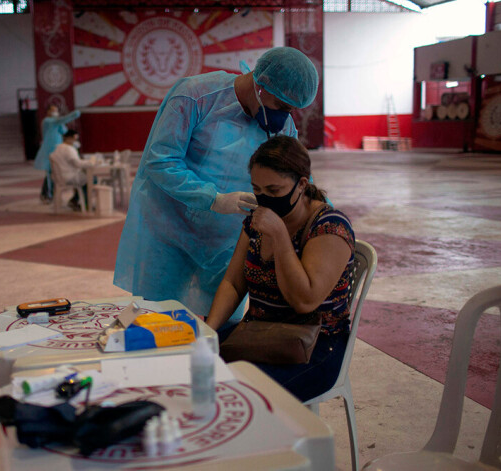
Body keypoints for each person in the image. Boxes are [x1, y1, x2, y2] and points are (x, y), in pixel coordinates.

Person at [114, 47, 319, 321]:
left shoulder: (281, 126)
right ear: (261, 86)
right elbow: (161, 160)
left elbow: (298, 177)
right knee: (158, 323)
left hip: (225, 243)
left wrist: (322, 214)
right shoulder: (196, 96)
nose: (285, 116)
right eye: (282, 106)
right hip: (169, 233)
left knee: (220, 329)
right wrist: (214, 199)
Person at [205, 135, 355, 402]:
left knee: (234, 396)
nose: (265, 200)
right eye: (258, 190)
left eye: (274, 191)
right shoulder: (256, 221)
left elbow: (304, 300)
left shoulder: (329, 226)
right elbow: (234, 282)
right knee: (189, 369)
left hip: (313, 346)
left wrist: (281, 237)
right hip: (259, 335)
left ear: (302, 185)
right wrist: (208, 331)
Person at [34, 105, 81, 204]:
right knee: (50, 173)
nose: (56, 112)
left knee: (54, 173)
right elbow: (60, 120)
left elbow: (64, 131)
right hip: (49, 150)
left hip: (57, 150)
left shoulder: (57, 124)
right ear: (48, 112)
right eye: (53, 110)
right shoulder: (47, 121)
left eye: (56, 110)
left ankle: (49, 194)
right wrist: (74, 114)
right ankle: (46, 195)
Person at [48, 130, 88, 211]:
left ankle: (75, 200)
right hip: (69, 176)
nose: (76, 141)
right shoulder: (69, 149)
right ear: (70, 138)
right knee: (91, 180)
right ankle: (85, 204)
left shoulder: (58, 147)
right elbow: (77, 163)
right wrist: (91, 162)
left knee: (86, 178)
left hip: (60, 177)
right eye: (75, 139)